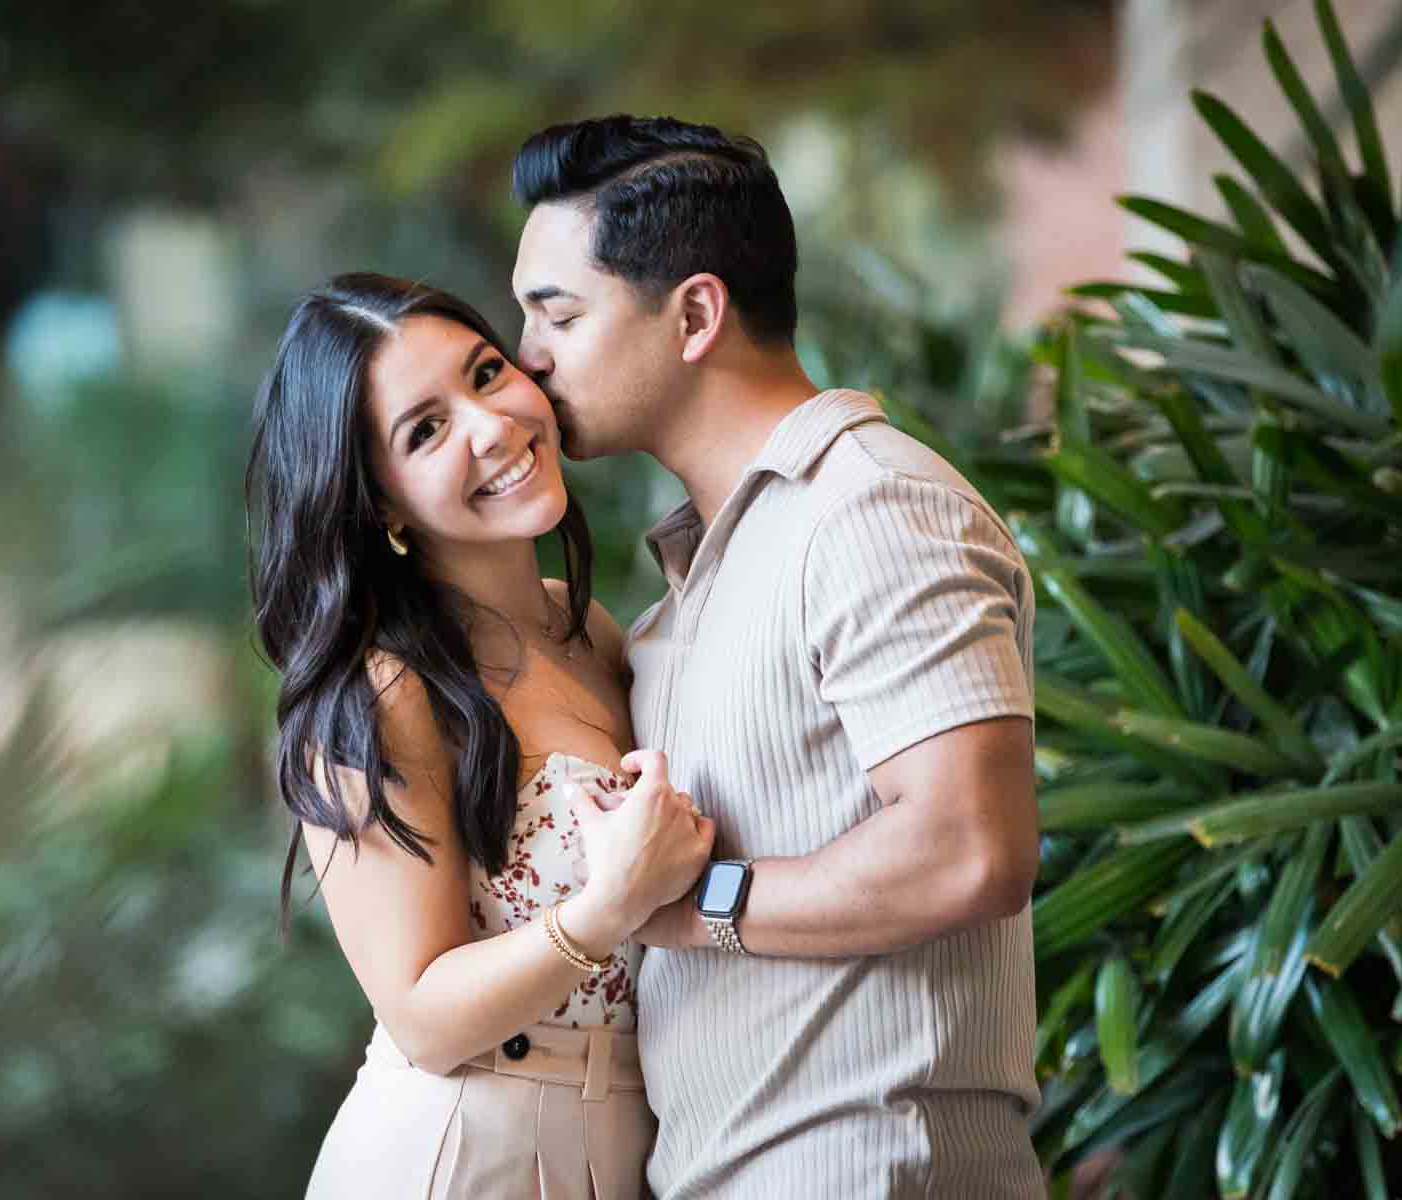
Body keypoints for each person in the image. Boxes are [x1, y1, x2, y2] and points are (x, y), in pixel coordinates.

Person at [508, 115, 1045, 1198]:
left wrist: (689, 904)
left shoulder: (870, 507)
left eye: (557, 312)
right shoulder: (703, 569)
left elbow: (969, 850)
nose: (529, 358)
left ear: (696, 313)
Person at [246, 273, 716, 1198]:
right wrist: (606, 907)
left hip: (625, 1144)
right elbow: (420, 1014)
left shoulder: (585, 626)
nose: (494, 426)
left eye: (488, 372)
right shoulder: (379, 691)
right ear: (379, 506)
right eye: (426, 430)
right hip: (463, 1153)